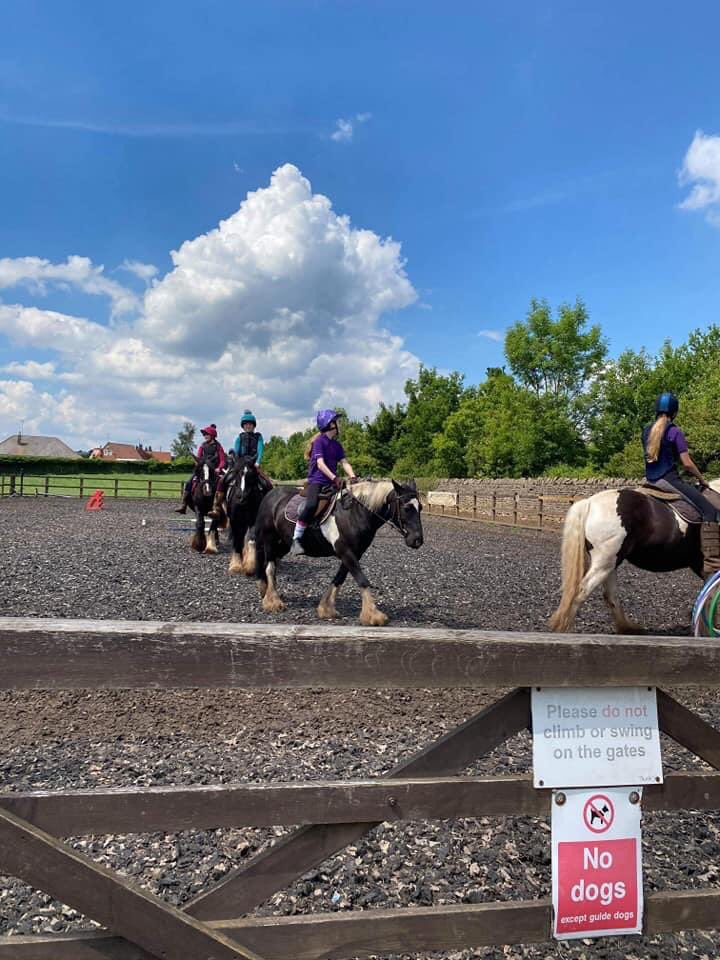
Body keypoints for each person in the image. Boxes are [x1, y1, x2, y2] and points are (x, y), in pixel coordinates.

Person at [643, 391, 719, 561]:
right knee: (709, 510)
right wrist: (702, 479)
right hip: (668, 480)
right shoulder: (674, 431)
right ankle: (712, 562)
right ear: (674, 412)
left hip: (650, 480)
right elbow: (687, 463)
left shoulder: (646, 431)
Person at [290, 409, 357, 556]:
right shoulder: (319, 442)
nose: (340, 424)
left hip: (332, 483)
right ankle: (296, 539)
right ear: (330, 424)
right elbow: (320, 464)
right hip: (317, 482)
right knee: (311, 505)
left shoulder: (337, 445)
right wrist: (335, 478)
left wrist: (352, 476)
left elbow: (344, 462)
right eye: (337, 421)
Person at [209, 410, 272, 517]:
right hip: (240, 464)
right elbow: (236, 452)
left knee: (267, 483)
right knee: (223, 480)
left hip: (253, 465)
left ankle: (269, 508)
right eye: (246, 424)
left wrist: (257, 462)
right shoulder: (240, 437)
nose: (248, 426)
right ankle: (217, 506)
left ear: (254, 426)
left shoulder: (258, 437)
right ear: (243, 426)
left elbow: (260, 450)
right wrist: (236, 462)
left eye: (250, 424)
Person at [174, 424, 226, 514]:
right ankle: (183, 505)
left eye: (207, 434)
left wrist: (219, 468)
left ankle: (223, 506)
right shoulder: (202, 445)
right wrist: (198, 464)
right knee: (189, 482)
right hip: (203, 469)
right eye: (204, 435)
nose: (205, 436)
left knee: (224, 483)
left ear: (212, 435)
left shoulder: (218, 447)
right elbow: (198, 457)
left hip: (214, 471)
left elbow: (222, 460)